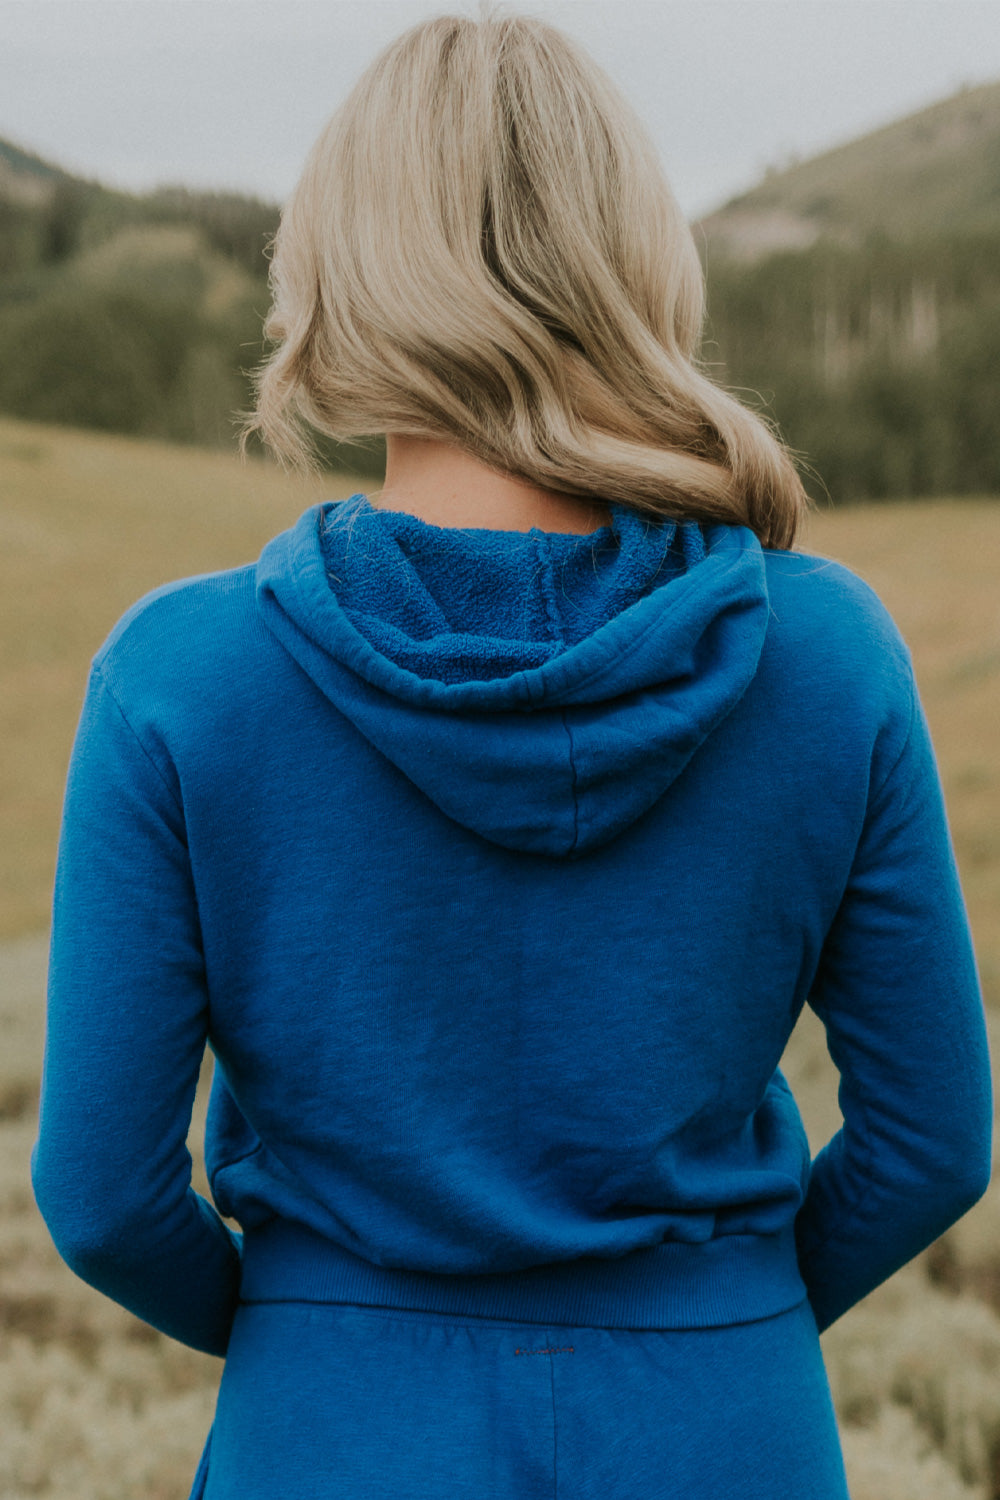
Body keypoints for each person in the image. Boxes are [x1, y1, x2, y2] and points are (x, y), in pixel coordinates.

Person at [32, 8, 992, 1499]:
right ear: (632, 259)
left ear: (335, 272)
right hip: (724, 1430)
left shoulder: (178, 679)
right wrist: (714, 1315)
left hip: (333, 1435)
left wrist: (312, 1331)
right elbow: (932, 1142)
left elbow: (99, 1197)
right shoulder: (826, 652)